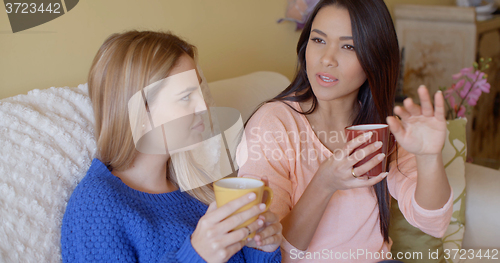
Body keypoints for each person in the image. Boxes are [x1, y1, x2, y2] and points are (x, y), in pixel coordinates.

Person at [236, 0, 453, 262]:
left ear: (374, 58)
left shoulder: (380, 128)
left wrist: (429, 158)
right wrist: (323, 183)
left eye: (348, 46)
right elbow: (268, 254)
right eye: (318, 40)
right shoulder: (274, 124)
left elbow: (433, 223)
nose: (327, 59)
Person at [61, 31, 282, 263]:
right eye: (186, 96)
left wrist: (263, 247)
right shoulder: (96, 207)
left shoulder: (199, 191)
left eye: (200, 91)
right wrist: (196, 256)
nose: (204, 107)